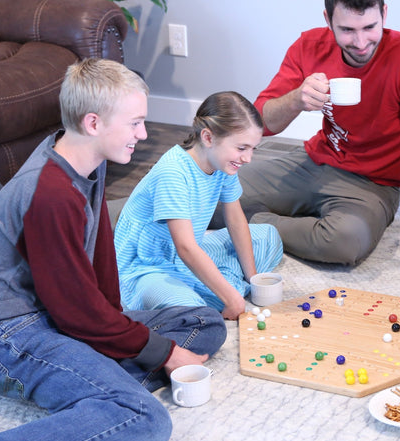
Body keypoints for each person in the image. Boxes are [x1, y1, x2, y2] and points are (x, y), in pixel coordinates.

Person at [0, 59, 227, 441]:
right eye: (136, 123)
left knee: (203, 321)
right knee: (146, 422)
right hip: (6, 335)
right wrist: (163, 352)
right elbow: (76, 312)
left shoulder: (86, 159)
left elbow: (99, 256)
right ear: (93, 122)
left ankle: (91, 400)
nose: (144, 134)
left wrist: (117, 321)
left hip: (53, 318)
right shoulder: (51, 193)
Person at [222, 0, 400, 265]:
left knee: (344, 242)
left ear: (384, 14)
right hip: (314, 161)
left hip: (374, 183)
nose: (361, 42)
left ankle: (250, 223)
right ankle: (267, 220)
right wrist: (296, 100)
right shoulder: (309, 45)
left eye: (370, 27)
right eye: (347, 30)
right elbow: (260, 122)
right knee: (215, 190)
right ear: (328, 20)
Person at [114, 91, 283, 320]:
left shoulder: (224, 164)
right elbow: (185, 248)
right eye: (242, 148)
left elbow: (235, 220)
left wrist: (253, 280)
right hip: (147, 267)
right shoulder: (173, 172)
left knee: (267, 236)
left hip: (189, 252)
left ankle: (217, 286)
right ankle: (210, 291)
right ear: (208, 137)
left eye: (253, 149)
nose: (248, 158)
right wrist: (232, 298)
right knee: (193, 312)